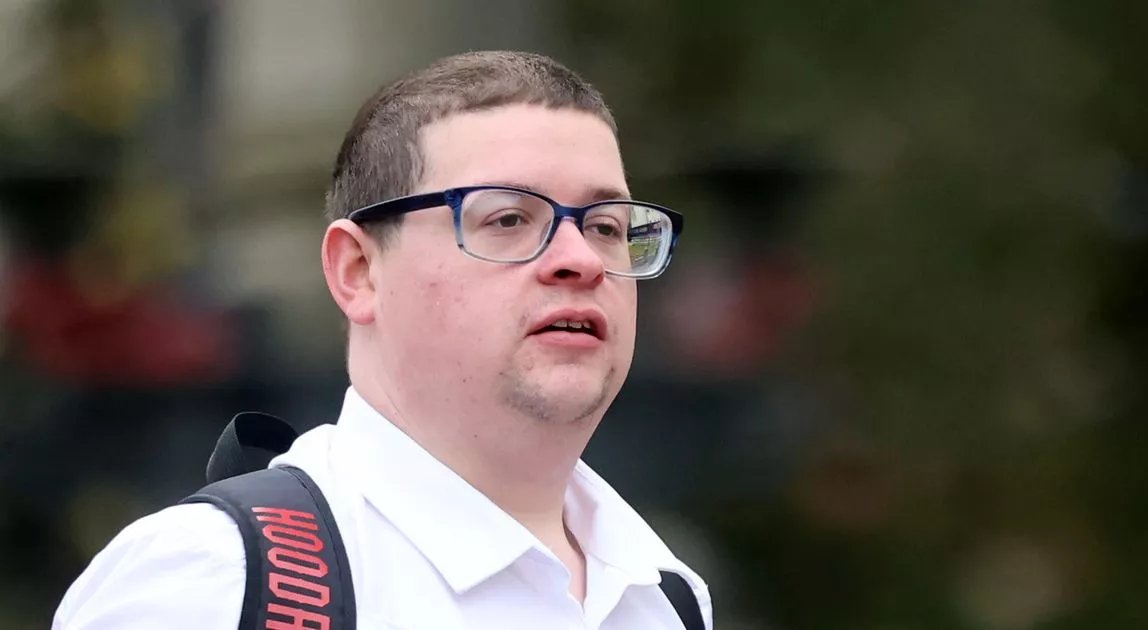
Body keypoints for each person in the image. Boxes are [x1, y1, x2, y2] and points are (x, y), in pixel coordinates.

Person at [52, 50, 712, 629]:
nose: (582, 260)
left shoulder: (664, 598)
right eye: (509, 218)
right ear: (359, 271)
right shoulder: (213, 579)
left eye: (606, 226)